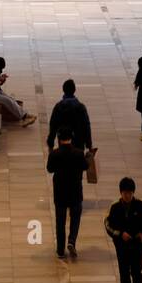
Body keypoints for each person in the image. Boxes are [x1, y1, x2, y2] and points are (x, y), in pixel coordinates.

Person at [47, 129, 87, 259]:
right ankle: (72, 241)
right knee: (75, 218)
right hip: (75, 191)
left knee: (60, 221)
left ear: (58, 138)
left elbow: (50, 169)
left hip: (60, 192)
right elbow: (85, 166)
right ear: (72, 137)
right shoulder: (78, 153)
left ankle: (60, 250)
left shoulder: (55, 154)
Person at [0, 57, 37, 127]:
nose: (1, 71)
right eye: (0, 69)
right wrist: (0, 80)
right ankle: (24, 116)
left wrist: (0, 79)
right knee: (7, 101)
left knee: (10, 99)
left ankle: (25, 115)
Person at [47, 79, 93, 152]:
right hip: (78, 143)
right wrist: (89, 145)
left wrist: (50, 144)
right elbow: (86, 126)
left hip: (63, 141)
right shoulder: (81, 107)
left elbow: (53, 126)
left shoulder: (58, 107)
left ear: (63, 90)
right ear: (74, 90)